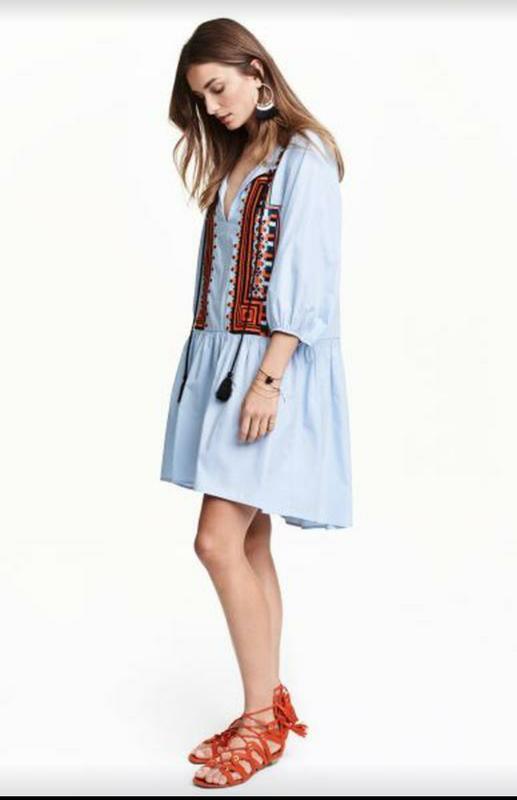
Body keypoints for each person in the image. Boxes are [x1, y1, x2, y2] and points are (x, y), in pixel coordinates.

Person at [160, 18, 353, 788]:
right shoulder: (241, 157)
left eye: (217, 89)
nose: (211, 108)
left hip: (267, 372)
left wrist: (269, 379)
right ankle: (267, 704)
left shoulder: (304, 158)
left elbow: (309, 280)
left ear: (256, 71)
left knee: (215, 541)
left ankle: (258, 722)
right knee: (248, 541)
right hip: (224, 368)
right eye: (200, 99)